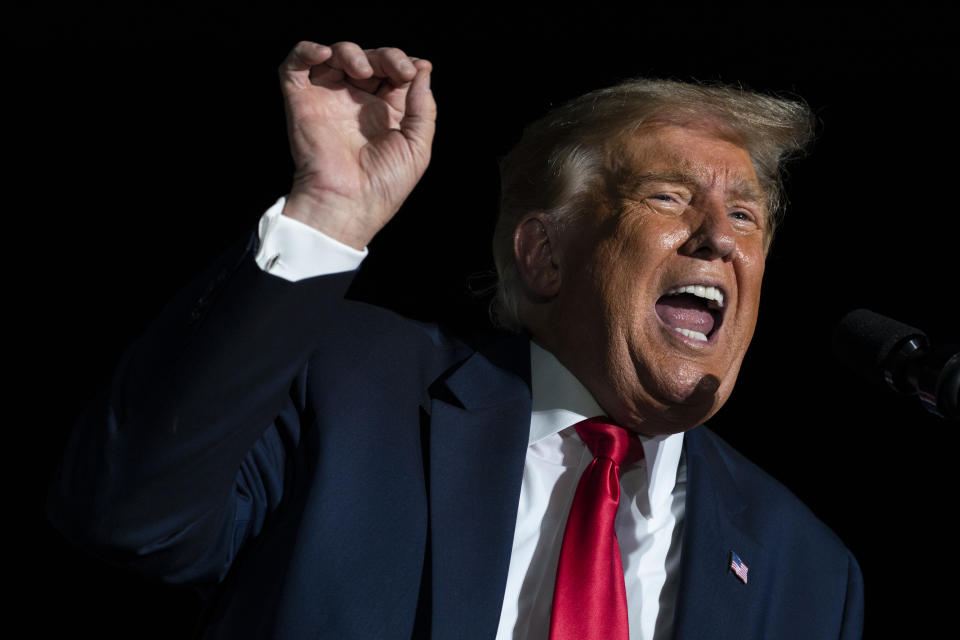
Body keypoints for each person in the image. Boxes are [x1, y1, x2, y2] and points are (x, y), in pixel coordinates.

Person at [48, 41, 863, 639]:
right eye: (668, 196)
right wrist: (328, 213)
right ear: (545, 254)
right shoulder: (349, 386)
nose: (720, 238)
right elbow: (128, 514)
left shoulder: (810, 575)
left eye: (747, 215)